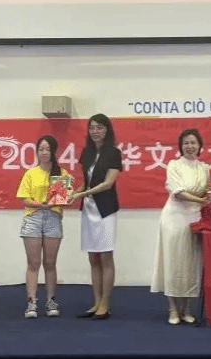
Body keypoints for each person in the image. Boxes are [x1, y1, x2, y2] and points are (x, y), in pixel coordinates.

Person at [151, 128, 210, 325]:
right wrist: (201, 200)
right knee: (173, 263)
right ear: (180, 146)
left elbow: (207, 192)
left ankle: (187, 308)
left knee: (190, 264)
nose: (190, 146)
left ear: (199, 145)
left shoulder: (204, 168)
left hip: (195, 219)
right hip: (174, 218)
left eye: (193, 142)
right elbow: (178, 192)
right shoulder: (174, 165)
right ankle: (173, 308)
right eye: (186, 143)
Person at [70, 114, 122, 320]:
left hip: (105, 209)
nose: (95, 131)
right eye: (92, 127)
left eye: (99, 127)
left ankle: (105, 304)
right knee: (93, 257)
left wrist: (83, 193)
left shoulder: (114, 153)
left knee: (105, 256)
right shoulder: (87, 152)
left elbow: (108, 183)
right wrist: (72, 193)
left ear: (107, 130)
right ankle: (96, 302)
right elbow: (86, 182)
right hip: (88, 209)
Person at [16, 135, 71, 319]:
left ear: (54, 151)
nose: (44, 152)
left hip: (53, 218)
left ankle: (51, 300)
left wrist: (61, 200)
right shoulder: (30, 173)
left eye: (48, 149)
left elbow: (63, 201)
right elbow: (24, 199)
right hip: (33, 217)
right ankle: (31, 302)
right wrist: (40, 204)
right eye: (41, 149)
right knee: (33, 263)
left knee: (50, 263)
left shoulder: (61, 173)